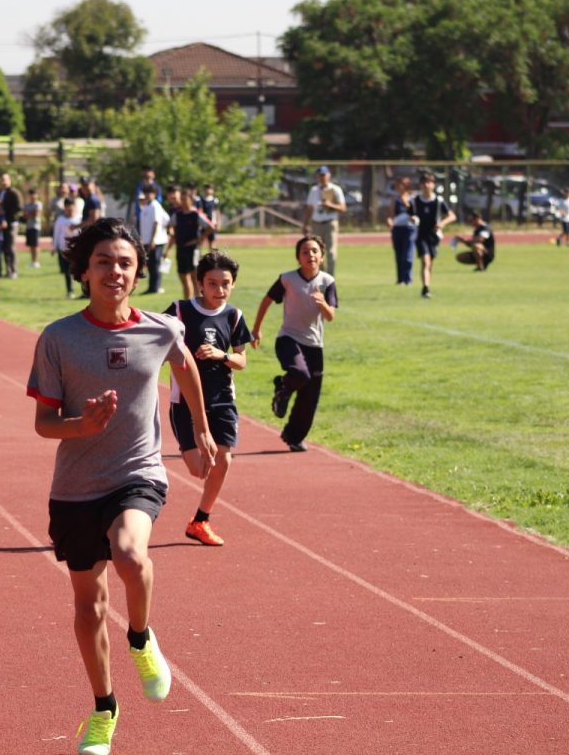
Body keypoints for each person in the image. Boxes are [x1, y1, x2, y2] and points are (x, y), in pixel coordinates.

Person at [26, 218, 215, 755]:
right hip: (76, 487)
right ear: (83, 270)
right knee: (88, 604)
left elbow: (185, 369)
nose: (115, 271)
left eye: (125, 262)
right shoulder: (59, 338)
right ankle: (104, 708)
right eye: (104, 261)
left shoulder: (162, 328)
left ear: (138, 272)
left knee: (131, 554)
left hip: (138, 473)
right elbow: (44, 424)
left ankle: (140, 636)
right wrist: (80, 426)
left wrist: (198, 428)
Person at [164, 250, 251, 546]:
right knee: (197, 469)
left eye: (226, 283)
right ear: (200, 283)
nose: (220, 290)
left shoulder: (234, 316)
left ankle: (200, 520)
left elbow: (242, 360)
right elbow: (156, 342)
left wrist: (222, 355)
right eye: (213, 283)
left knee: (222, 460)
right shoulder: (179, 311)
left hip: (222, 399)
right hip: (184, 402)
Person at [250, 235, 338, 453]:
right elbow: (267, 300)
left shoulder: (327, 282)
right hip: (288, 338)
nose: (310, 255)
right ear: (298, 257)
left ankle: (294, 436)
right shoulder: (287, 279)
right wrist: (256, 328)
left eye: (314, 251)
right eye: (305, 252)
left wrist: (323, 303)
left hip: (315, 345)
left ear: (322, 255)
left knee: (310, 396)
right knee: (300, 374)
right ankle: (283, 387)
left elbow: (330, 316)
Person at [412, 170, 455, 298]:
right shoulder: (415, 201)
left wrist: (442, 223)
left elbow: (452, 216)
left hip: (434, 236)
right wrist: (413, 219)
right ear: (420, 185)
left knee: (430, 263)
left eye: (429, 182)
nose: (426, 185)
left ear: (433, 185)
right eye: (424, 182)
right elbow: (410, 214)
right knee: (425, 262)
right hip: (420, 235)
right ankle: (425, 289)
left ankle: (426, 285)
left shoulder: (438, 201)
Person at [170, 187, 210, 300]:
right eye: (181, 199)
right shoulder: (177, 214)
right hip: (180, 249)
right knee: (183, 277)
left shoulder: (196, 214)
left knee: (194, 277)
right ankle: (187, 302)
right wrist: (172, 232)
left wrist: (199, 239)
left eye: (185, 199)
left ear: (190, 200)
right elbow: (169, 225)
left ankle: (198, 301)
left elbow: (210, 227)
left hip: (193, 250)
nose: (182, 201)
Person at [304, 166, 345, 275]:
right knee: (317, 251)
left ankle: (330, 277)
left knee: (331, 252)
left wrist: (329, 205)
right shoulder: (314, 190)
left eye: (324, 175)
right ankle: (321, 275)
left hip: (330, 223)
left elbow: (342, 208)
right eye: (320, 175)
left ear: (329, 175)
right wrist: (305, 224)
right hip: (316, 223)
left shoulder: (335, 189)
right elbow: (310, 208)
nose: (322, 178)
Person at [137, 184, 170, 295]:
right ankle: (152, 286)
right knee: (150, 264)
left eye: (149, 193)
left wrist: (153, 239)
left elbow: (157, 223)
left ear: (154, 194)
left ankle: (156, 287)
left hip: (156, 241)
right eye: (145, 192)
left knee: (155, 264)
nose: (147, 195)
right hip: (147, 240)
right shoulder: (146, 206)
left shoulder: (155, 206)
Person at [387, 176, 418, 286]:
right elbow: (391, 215)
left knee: (408, 255)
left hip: (409, 229)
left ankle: (408, 278)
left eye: (401, 184)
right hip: (397, 229)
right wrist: (390, 221)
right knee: (399, 254)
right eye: (398, 184)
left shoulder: (413, 198)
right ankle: (400, 279)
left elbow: (415, 213)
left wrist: (406, 203)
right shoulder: (395, 199)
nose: (399, 187)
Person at [52, 197, 82, 298]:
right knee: (67, 271)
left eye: (71, 208)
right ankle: (70, 290)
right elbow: (56, 233)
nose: (70, 210)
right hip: (64, 249)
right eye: (67, 208)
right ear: (64, 208)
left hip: (77, 250)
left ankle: (84, 290)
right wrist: (54, 247)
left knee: (79, 270)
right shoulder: (60, 220)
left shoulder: (80, 219)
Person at [0, 173, 23, 279]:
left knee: (11, 247)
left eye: (5, 179)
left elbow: (19, 207)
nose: (4, 182)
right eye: (2, 179)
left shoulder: (14, 192)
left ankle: (14, 270)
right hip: (1, 224)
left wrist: (9, 217)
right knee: (4, 248)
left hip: (11, 223)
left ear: (9, 181)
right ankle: (7, 270)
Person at [24, 188, 43, 268]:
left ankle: (36, 261)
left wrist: (30, 214)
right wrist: (30, 214)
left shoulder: (38, 204)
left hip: (36, 226)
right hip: (29, 226)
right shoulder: (27, 205)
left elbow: (36, 214)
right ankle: (32, 261)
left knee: (35, 245)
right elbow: (25, 215)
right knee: (31, 245)